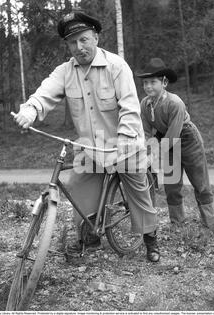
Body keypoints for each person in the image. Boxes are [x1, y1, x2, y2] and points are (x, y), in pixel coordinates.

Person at [12, 10, 160, 262]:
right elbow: (44, 93)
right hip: (91, 149)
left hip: (125, 146)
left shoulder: (116, 66)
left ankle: (151, 242)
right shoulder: (65, 71)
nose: (79, 47)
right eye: (72, 42)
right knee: (79, 190)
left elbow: (130, 107)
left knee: (139, 196)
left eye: (84, 39)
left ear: (96, 38)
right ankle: (90, 238)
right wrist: (30, 110)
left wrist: (124, 140)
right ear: (68, 45)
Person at [137, 58, 214, 230]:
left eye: (153, 82)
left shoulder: (175, 103)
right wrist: (147, 152)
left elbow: (174, 134)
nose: (148, 87)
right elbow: (145, 132)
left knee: (201, 184)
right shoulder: (145, 104)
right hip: (166, 141)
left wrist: (157, 154)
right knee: (172, 186)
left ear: (164, 82)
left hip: (187, 139)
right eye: (145, 83)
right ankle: (178, 224)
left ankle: (212, 226)